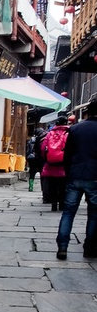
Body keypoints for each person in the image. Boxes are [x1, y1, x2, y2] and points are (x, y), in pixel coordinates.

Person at [56, 97, 97, 260]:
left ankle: (63, 248)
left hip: (75, 176)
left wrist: (68, 173)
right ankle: (89, 248)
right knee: (94, 214)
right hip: (95, 178)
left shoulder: (75, 129)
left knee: (68, 212)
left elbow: (67, 155)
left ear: (88, 112)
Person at [40, 112, 70, 212]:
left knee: (52, 184)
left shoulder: (49, 134)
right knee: (63, 185)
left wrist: (46, 159)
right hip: (64, 165)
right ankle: (61, 204)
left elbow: (43, 148)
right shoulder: (69, 133)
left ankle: (53, 204)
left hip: (51, 164)